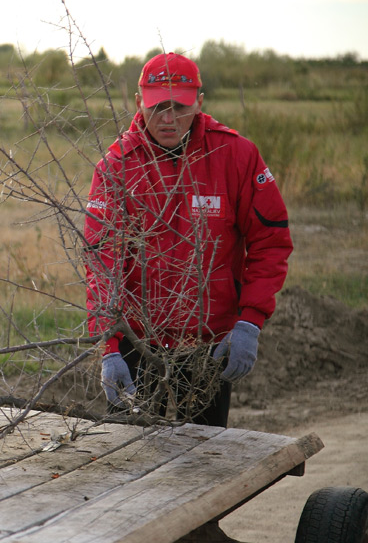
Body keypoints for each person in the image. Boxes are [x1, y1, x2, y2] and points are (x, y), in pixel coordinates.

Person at [83, 52, 292, 427]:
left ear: (199, 102)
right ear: (138, 102)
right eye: (157, 107)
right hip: (137, 343)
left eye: (179, 107)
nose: (168, 119)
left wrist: (249, 323)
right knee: (129, 454)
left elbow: (270, 242)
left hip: (210, 345)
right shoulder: (117, 166)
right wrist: (109, 347)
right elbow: (102, 263)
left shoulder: (236, 155)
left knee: (205, 454)